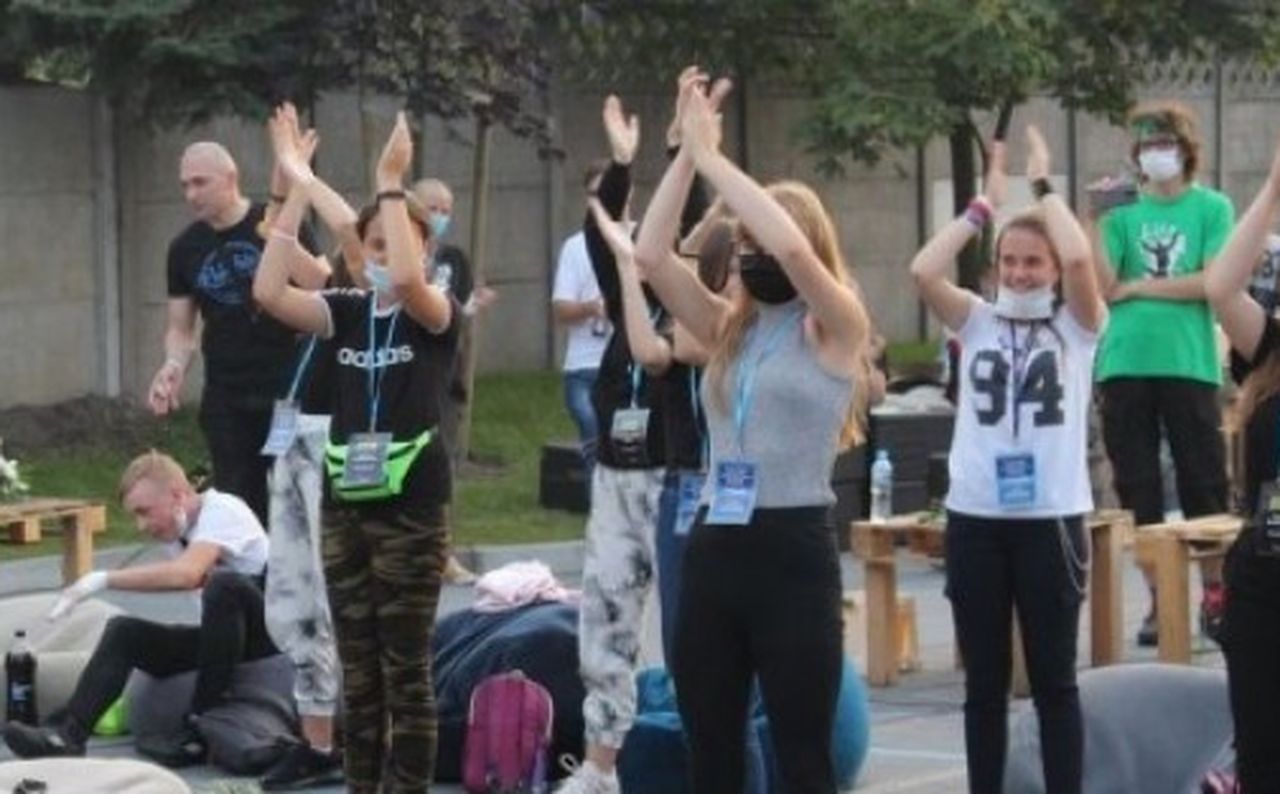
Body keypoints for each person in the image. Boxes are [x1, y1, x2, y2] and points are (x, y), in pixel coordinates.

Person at [634, 72, 869, 794]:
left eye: (756, 242)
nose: (751, 256)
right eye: (742, 247)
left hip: (792, 551)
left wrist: (716, 159)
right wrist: (685, 152)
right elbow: (650, 256)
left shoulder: (835, 326)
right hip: (717, 544)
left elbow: (793, 252)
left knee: (802, 754)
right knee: (712, 749)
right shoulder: (727, 327)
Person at [253, 111, 459, 794]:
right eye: (372, 246)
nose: (383, 257)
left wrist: (391, 181)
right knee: (359, 670)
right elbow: (268, 292)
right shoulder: (345, 310)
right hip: (346, 504)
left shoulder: (434, 311)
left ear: (423, 250)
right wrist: (294, 190)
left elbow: (408, 282)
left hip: (412, 510)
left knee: (406, 669)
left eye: (395, 245)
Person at [912, 126, 1105, 794]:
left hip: (1050, 518)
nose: (1021, 273)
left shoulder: (1077, 327)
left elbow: (1080, 259)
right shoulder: (977, 319)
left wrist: (1044, 186)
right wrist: (983, 207)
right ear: (995, 267)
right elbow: (923, 271)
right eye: (1011, 261)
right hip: (977, 518)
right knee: (984, 685)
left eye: (1034, 262)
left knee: (1054, 681)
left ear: (1052, 270)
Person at [2, 451, 274, 763]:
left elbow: (186, 574)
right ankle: (69, 733)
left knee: (223, 585)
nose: (141, 525)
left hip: (270, 637)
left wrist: (102, 579)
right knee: (125, 631)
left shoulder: (224, 509)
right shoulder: (177, 533)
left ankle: (201, 724)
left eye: (145, 512)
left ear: (177, 495)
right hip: (225, 641)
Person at [1090, 101, 1234, 645]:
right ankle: (1158, 598)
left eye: (1164, 143)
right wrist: (1093, 220)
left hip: (1188, 362)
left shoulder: (1211, 207)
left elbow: (1212, 281)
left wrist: (1141, 287)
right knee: (1137, 485)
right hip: (1126, 361)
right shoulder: (1123, 211)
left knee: (1204, 481)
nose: (1156, 153)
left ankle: (1214, 593)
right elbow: (1105, 285)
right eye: (1147, 145)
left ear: (1185, 149)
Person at [251, 103, 363, 791]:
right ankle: (315, 740)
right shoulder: (329, 287)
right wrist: (287, 182)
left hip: (332, 447)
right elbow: (276, 243)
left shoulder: (375, 297)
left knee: (329, 596)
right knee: (291, 595)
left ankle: (349, 734)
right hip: (293, 441)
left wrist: (303, 176)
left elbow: (349, 234)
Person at [147, 140, 327, 524]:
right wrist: (172, 366)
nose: (191, 194)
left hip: (289, 386)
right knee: (237, 503)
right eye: (185, 185)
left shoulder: (276, 222)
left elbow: (325, 289)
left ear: (231, 179)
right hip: (227, 393)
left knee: (295, 502)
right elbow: (180, 328)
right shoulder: (184, 248)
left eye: (200, 182)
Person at [1204, 133, 1280, 792]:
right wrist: (1275, 189)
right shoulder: (1270, 353)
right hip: (1265, 576)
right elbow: (1220, 286)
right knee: (1260, 753)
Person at [410, 177, 494, 585]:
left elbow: (456, 311)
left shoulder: (453, 259)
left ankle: (443, 553)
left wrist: (471, 308)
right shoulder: (395, 257)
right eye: (433, 208)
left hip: (442, 376)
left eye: (446, 210)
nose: (440, 217)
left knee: (440, 463)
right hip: (404, 373)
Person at [552, 161, 615, 477]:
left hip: (627, 362)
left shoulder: (640, 239)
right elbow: (561, 309)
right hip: (584, 366)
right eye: (595, 194)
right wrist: (591, 308)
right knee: (593, 435)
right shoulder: (575, 247)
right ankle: (598, 499)